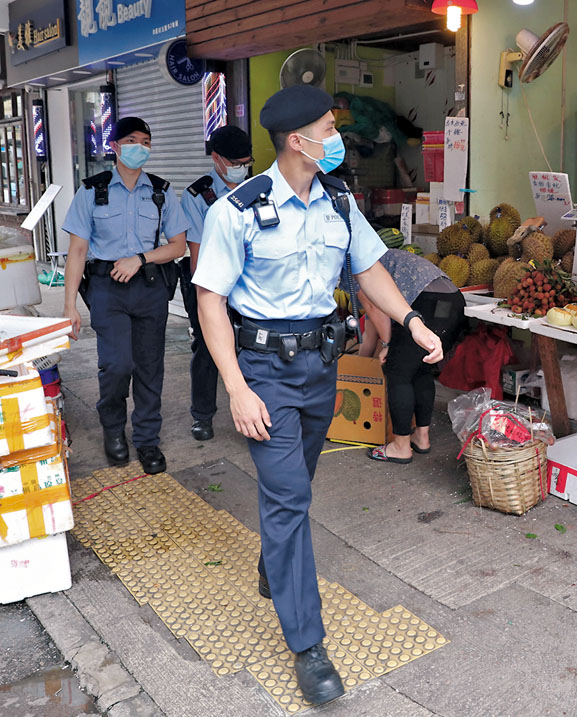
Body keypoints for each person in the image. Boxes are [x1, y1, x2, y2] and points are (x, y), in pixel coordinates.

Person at [192, 84, 443, 706]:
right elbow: (210, 301)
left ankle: (274, 565)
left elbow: (368, 268)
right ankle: (309, 646)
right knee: (290, 500)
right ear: (299, 141)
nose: (338, 138)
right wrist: (236, 389)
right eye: (330, 129)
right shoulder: (238, 210)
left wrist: (411, 321)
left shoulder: (337, 198)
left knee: (295, 486)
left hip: (320, 369)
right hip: (265, 374)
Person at [62, 117, 189, 474]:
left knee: (150, 367)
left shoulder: (162, 191)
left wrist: (141, 258)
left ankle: (148, 440)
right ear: (115, 146)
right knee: (116, 365)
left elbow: (178, 246)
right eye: (132, 140)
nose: (140, 147)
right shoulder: (92, 191)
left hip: (150, 288)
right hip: (107, 290)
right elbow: (76, 251)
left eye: (146, 141)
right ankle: (114, 430)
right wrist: (69, 305)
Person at [180, 126, 254, 442]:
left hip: (248, 279)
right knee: (208, 348)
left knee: (253, 345)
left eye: (247, 162)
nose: (242, 167)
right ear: (217, 159)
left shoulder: (256, 188)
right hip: (207, 280)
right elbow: (198, 255)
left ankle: (257, 410)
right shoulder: (198, 195)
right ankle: (203, 416)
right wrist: (207, 301)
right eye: (236, 162)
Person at [357, 249, 466, 464]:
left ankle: (400, 446)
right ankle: (421, 437)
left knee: (398, 371)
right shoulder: (385, 256)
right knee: (422, 366)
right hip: (452, 301)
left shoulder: (355, 264)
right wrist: (359, 366)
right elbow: (371, 325)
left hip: (426, 301)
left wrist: (387, 345)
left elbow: (373, 308)